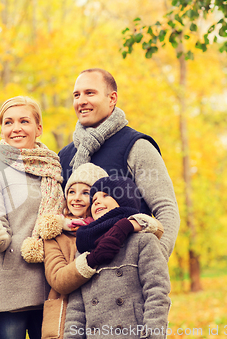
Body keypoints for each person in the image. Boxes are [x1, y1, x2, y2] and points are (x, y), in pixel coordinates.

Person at [59, 68, 180, 260]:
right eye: (76, 95)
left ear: (112, 98)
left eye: (90, 93)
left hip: (126, 274)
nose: (81, 101)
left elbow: (166, 210)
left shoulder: (136, 146)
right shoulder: (65, 156)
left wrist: (153, 262)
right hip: (76, 278)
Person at [0, 96, 64, 339]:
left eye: (24, 121)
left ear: (38, 128)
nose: (16, 128)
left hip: (51, 290)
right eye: (8, 122)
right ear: (2, 130)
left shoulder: (55, 171)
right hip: (8, 293)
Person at [41, 163, 163, 339]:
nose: (97, 200)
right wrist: (93, 258)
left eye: (104, 195)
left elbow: (156, 292)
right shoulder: (82, 246)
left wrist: (126, 225)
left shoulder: (141, 238)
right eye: (95, 197)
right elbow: (76, 306)